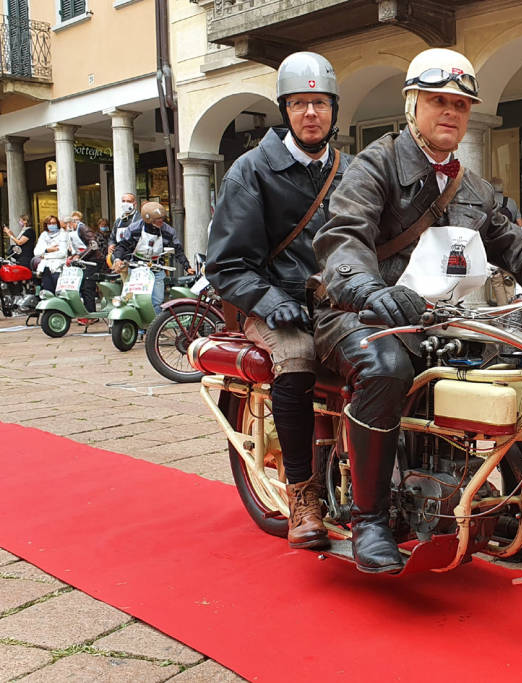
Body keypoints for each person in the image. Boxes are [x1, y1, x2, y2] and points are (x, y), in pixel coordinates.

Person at [312, 47, 522, 573]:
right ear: (412, 104)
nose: (450, 111)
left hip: (436, 317)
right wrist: (366, 289)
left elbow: (515, 249)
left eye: (460, 103)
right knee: (385, 368)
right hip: (357, 312)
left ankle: (495, 499)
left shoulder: (474, 187)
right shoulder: (375, 164)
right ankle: (370, 518)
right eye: (437, 100)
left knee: (517, 365)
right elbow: (343, 238)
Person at [205, 51, 349, 550]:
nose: (311, 113)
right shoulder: (252, 171)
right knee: (297, 355)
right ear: (285, 110)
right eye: (299, 103)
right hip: (272, 305)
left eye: (320, 103)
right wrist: (267, 299)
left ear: (334, 110)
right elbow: (225, 263)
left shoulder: (351, 171)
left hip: (338, 305)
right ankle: (303, 494)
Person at [113, 202, 192, 311]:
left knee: (157, 300)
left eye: (161, 219)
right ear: (147, 220)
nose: (160, 222)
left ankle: (156, 326)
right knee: (134, 299)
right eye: (156, 220)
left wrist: (187, 266)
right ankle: (138, 325)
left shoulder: (168, 231)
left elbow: (178, 250)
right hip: (136, 268)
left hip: (157, 266)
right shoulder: (134, 229)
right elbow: (122, 246)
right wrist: (118, 260)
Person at [34, 215, 86, 293]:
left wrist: (45, 253)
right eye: (49, 223)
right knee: (48, 293)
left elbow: (62, 253)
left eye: (54, 223)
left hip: (59, 268)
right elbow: (36, 252)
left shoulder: (63, 234)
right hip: (46, 267)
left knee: (60, 292)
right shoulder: (44, 235)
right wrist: (48, 250)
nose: (52, 225)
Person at [66, 211, 102, 313]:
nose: (67, 228)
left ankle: (91, 313)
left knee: (88, 286)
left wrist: (79, 256)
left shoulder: (83, 229)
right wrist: (72, 257)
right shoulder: (73, 231)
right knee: (82, 286)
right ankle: (84, 311)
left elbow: (93, 245)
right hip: (83, 261)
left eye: (67, 225)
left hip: (92, 261)